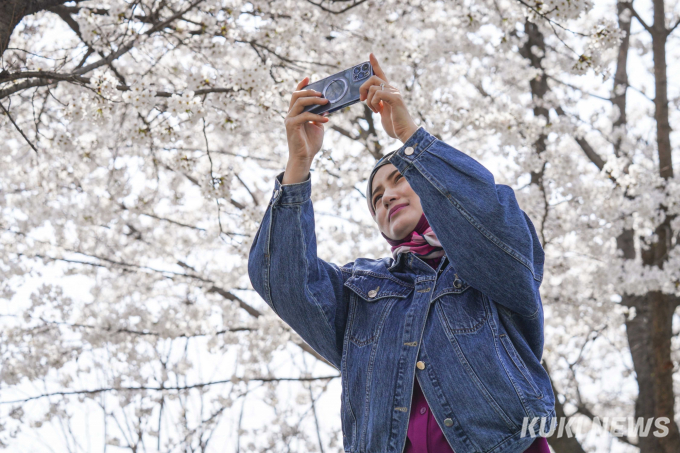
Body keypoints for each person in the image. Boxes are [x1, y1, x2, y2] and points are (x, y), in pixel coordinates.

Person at [248, 53, 555, 453]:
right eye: (376, 197)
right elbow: (283, 281)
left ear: (428, 182)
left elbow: (492, 220)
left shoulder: (486, 264)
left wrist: (411, 138)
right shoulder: (361, 294)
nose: (388, 195)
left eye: (400, 179)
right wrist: (298, 165)